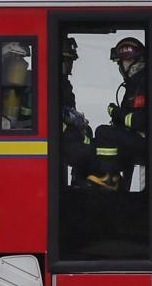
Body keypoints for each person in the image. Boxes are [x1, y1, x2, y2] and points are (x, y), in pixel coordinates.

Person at [103, 37, 148, 188]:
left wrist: (117, 114)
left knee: (103, 133)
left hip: (143, 141)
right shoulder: (134, 83)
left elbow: (142, 120)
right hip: (137, 140)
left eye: (123, 61)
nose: (121, 66)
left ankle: (108, 188)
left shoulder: (144, 82)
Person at [58, 38, 98, 187]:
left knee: (89, 141)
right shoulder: (51, 82)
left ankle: (78, 184)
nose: (70, 65)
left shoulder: (64, 83)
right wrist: (70, 120)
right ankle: (81, 187)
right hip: (58, 139)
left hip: (66, 137)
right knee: (88, 154)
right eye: (68, 61)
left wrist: (78, 121)